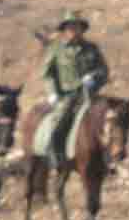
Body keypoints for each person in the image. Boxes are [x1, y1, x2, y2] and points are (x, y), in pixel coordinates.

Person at [30, 9, 110, 166]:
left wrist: (94, 78)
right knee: (61, 119)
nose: (74, 30)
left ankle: (109, 158)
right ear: (65, 29)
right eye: (71, 27)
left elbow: (104, 70)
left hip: (90, 93)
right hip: (67, 94)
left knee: (110, 119)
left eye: (78, 27)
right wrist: (52, 93)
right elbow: (47, 73)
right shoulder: (56, 49)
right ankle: (54, 152)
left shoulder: (92, 48)